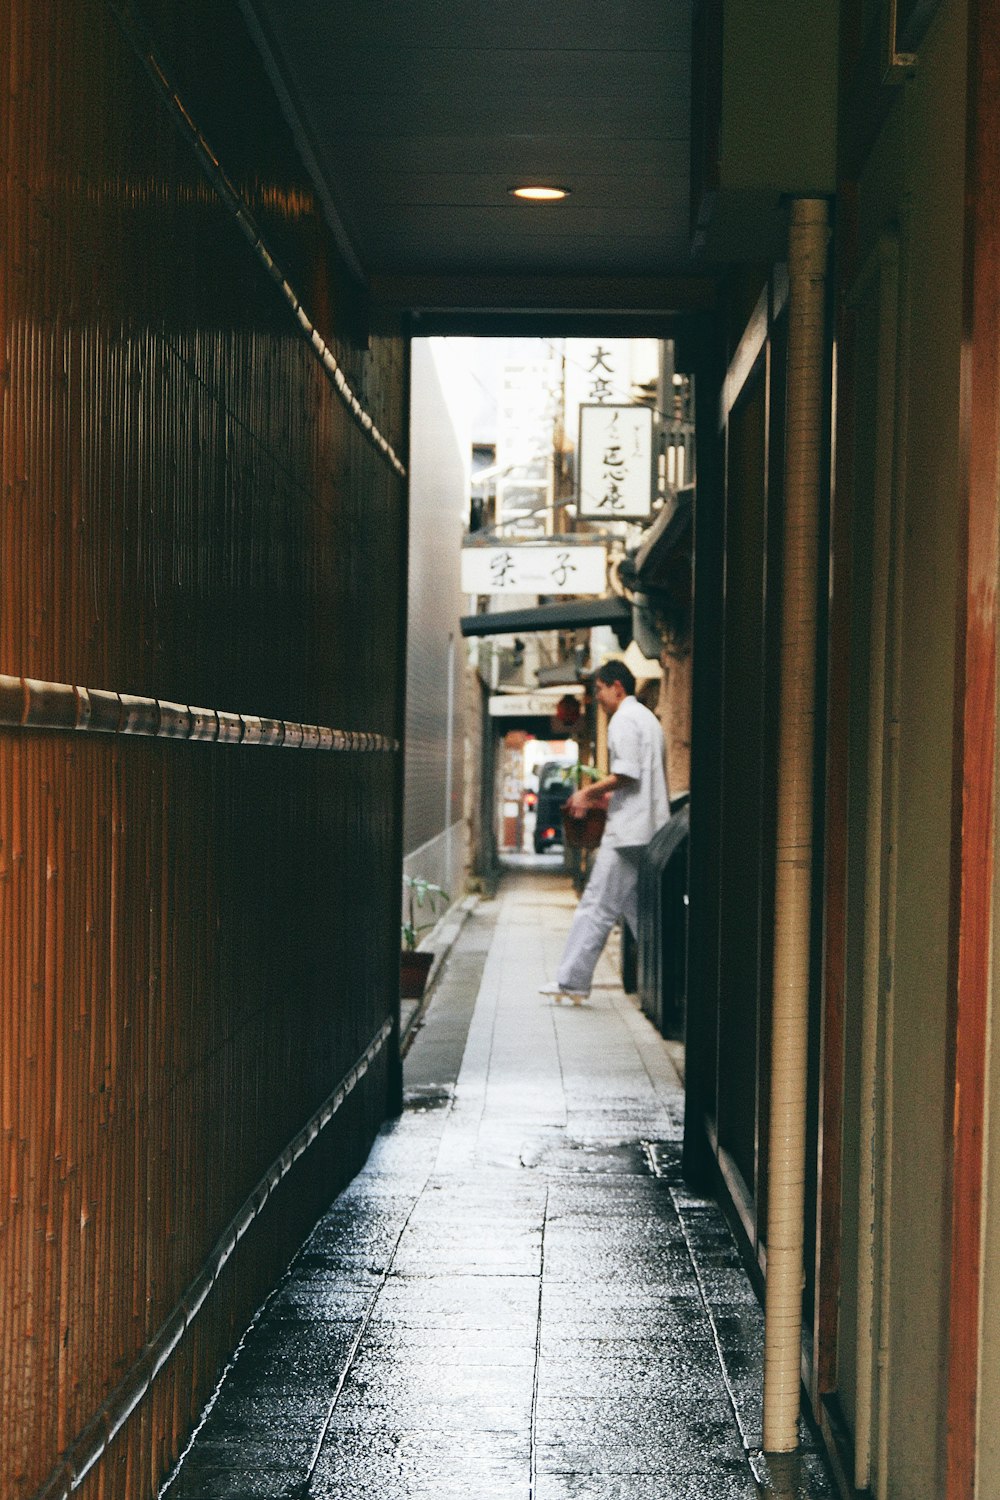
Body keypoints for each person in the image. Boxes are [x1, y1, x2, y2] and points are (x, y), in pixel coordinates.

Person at [540, 660, 669, 1005]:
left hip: (627, 832)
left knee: (596, 905)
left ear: (617, 687)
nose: (597, 697)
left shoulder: (624, 720)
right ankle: (675, 980)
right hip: (650, 830)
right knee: (640, 912)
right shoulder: (648, 720)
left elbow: (628, 773)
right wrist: (609, 794)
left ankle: (571, 981)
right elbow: (640, 778)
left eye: (598, 689)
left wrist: (587, 792)